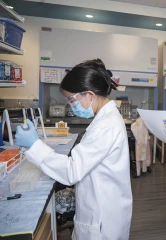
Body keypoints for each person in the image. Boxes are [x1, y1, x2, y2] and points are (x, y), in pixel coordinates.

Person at [15, 60, 133, 240]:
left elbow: (71, 171)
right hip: (104, 206)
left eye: (72, 99)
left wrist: (34, 145)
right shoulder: (105, 118)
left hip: (102, 218)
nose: (71, 105)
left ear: (90, 94)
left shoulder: (106, 125)